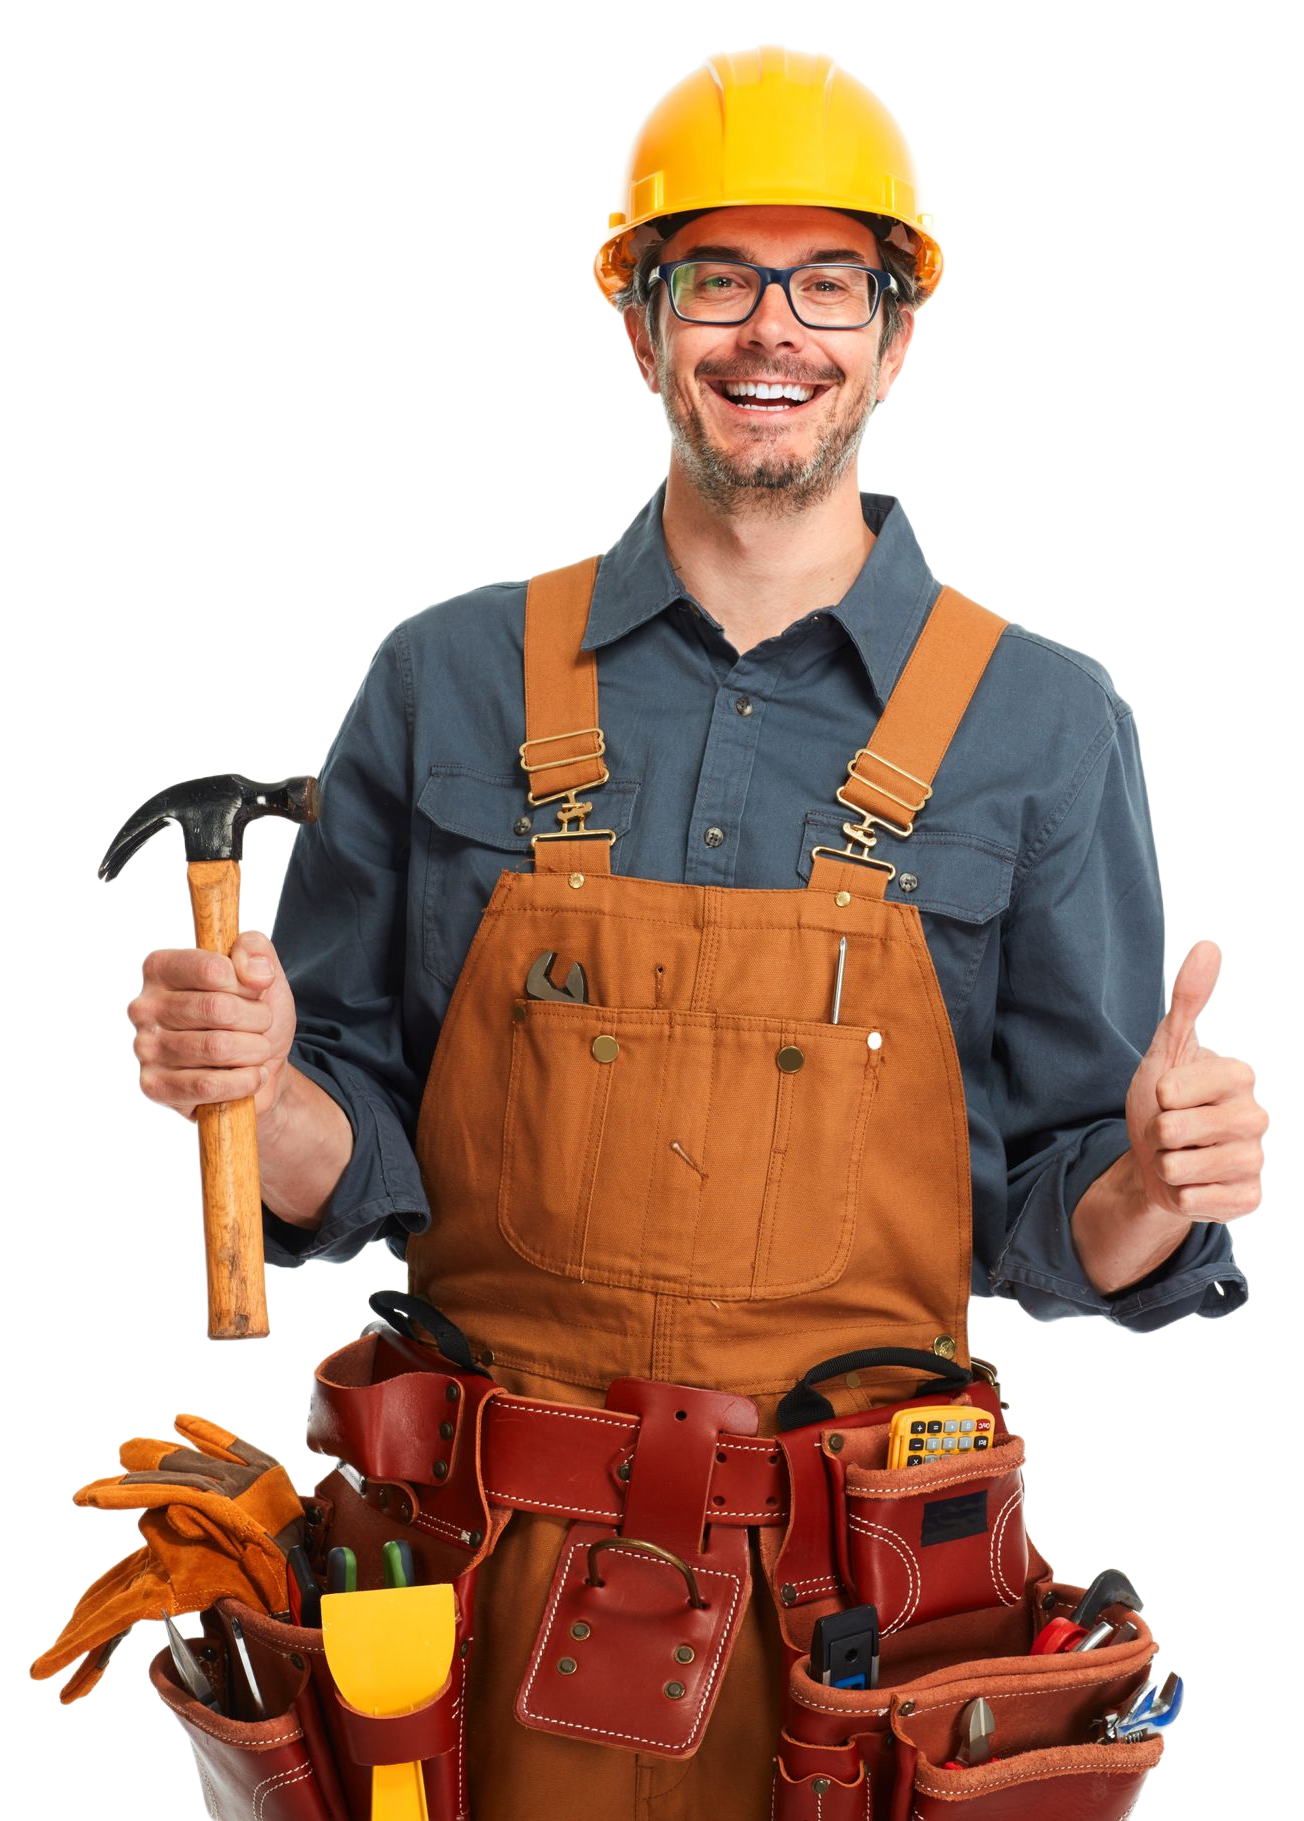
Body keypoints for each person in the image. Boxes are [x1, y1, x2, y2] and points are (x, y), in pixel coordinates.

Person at [122, 35, 1267, 1817]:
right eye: (716, 277)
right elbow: (337, 1162)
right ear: (641, 321)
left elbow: (1059, 1233)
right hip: (461, 1602)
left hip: (856, 1627)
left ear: (894, 331)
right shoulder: (445, 680)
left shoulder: (1046, 726)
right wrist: (249, 1082)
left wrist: (1154, 1180)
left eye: (828, 282)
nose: (771, 331)